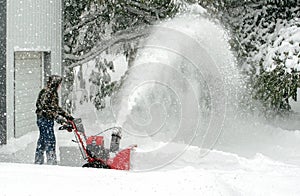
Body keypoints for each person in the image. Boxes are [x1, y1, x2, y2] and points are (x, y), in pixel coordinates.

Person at [34, 75, 73, 165]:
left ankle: (38, 161)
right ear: (55, 84)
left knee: (43, 140)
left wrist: (66, 116)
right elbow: (45, 109)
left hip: (47, 119)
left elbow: (55, 108)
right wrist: (57, 117)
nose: (60, 86)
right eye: (59, 84)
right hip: (43, 119)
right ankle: (51, 162)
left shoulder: (53, 93)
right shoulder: (47, 93)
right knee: (50, 140)